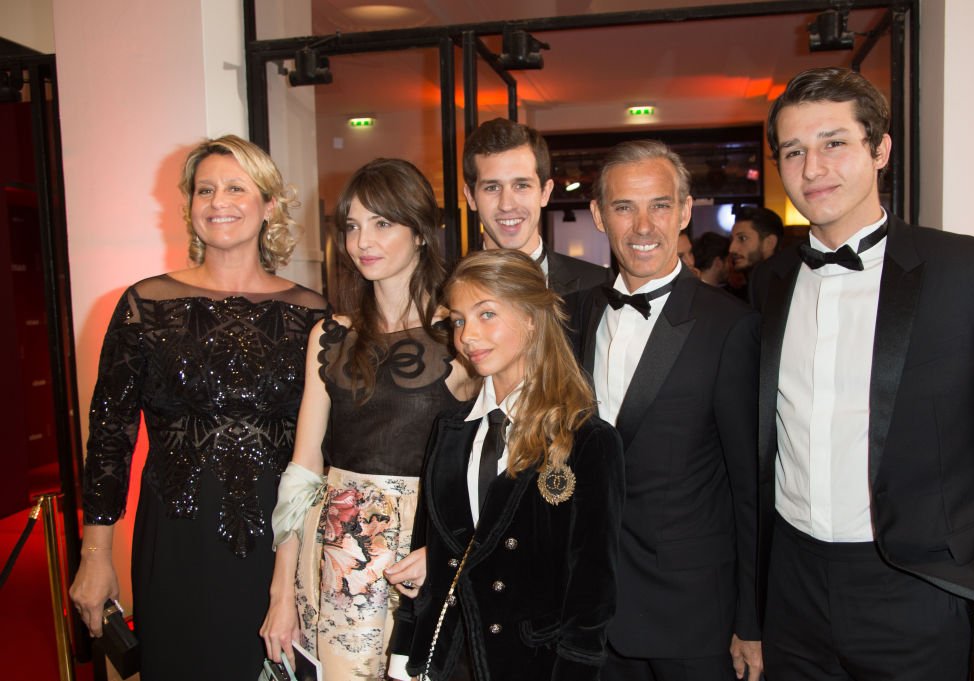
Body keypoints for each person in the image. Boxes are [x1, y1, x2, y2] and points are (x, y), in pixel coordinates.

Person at [751, 66, 974, 680]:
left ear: (880, 149)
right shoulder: (770, 280)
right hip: (792, 589)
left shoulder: (969, 270)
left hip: (918, 588)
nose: (813, 168)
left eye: (834, 143)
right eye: (794, 151)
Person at [68, 135, 329, 679]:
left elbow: (336, 440)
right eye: (204, 190)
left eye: (237, 188)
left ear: (269, 206)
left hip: (283, 543)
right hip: (178, 538)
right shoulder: (145, 305)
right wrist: (95, 554)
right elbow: (110, 434)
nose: (219, 202)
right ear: (189, 206)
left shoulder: (313, 314)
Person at [260, 158, 477, 680]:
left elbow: (494, 463)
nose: (363, 241)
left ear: (421, 231)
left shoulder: (464, 333)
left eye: (383, 223)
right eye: (353, 226)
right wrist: (280, 590)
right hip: (337, 558)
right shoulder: (330, 335)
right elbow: (303, 471)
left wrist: (450, 549)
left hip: (427, 556)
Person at [391, 249, 626, 681]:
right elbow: (430, 551)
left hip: (531, 664)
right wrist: (404, 654)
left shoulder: (587, 440)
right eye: (459, 320)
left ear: (532, 319)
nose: (467, 336)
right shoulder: (449, 431)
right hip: (449, 661)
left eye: (486, 315)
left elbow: (592, 591)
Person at [575, 140, 761, 681]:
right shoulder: (574, 315)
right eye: (623, 207)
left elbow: (749, 486)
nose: (643, 226)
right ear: (597, 215)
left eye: (659, 205)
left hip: (693, 615)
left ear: (684, 211)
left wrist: (750, 621)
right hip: (591, 608)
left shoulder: (729, 326)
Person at [463, 118, 609, 295]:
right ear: (471, 197)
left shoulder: (598, 286)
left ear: (545, 192)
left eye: (522, 186)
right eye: (492, 188)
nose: (507, 205)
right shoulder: (443, 294)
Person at [728, 207, 782, 274]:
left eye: (742, 238)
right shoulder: (756, 282)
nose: (731, 249)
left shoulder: (791, 282)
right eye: (731, 240)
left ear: (769, 243)